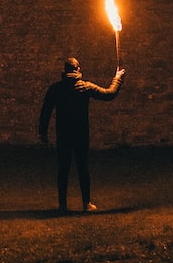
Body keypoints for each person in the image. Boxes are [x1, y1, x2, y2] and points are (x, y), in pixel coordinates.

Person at [38, 57, 126, 213]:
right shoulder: (85, 87)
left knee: (63, 169)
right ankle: (86, 204)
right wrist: (117, 79)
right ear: (78, 70)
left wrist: (42, 133)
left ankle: (62, 206)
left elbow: (45, 111)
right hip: (81, 134)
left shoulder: (55, 89)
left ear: (65, 71)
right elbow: (109, 94)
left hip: (63, 134)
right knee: (83, 168)